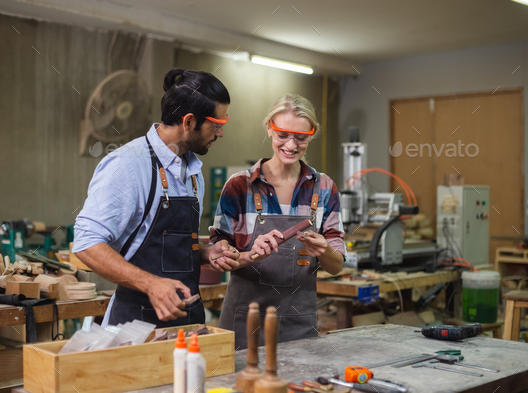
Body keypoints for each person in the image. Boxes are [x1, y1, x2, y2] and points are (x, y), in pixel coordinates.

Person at [73, 69, 240, 327]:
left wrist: (206, 253)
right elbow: (86, 243)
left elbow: (170, 250)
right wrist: (150, 284)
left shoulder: (194, 172)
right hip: (135, 326)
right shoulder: (128, 164)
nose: (220, 134)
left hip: (187, 323)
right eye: (216, 126)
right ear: (188, 122)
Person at [210, 94, 345, 348]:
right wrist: (251, 255)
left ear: (311, 135)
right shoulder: (239, 186)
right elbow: (218, 259)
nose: (291, 145)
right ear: (269, 129)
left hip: (298, 324)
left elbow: (336, 266)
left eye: (301, 137)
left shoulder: (325, 188)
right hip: (244, 324)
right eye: (283, 135)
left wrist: (324, 250)